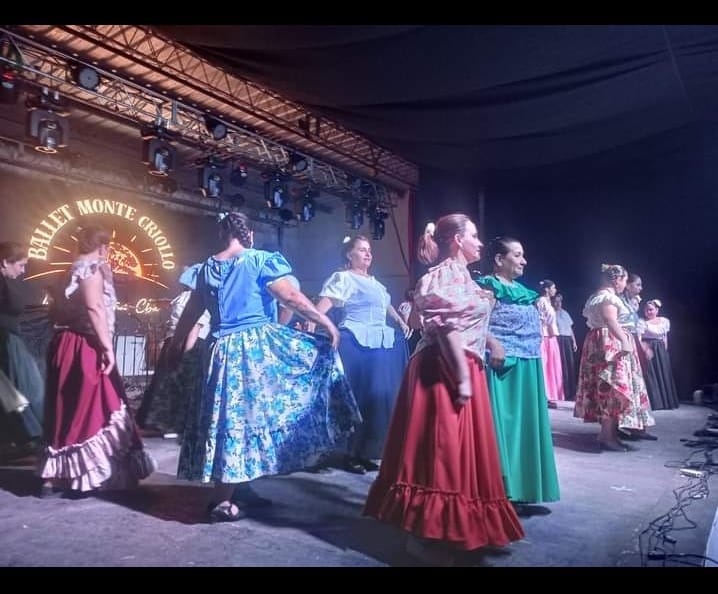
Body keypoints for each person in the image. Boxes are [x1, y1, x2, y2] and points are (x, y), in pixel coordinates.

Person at [170, 212, 361, 522]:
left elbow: (191, 313)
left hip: (218, 352)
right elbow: (291, 297)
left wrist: (177, 347)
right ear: (249, 235)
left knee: (233, 419)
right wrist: (325, 321)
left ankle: (238, 488)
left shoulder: (205, 268)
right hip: (251, 350)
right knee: (240, 420)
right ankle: (221, 500)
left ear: (222, 235)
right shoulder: (259, 260)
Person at [364, 215, 523, 566]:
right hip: (443, 367)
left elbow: (465, 323)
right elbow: (447, 327)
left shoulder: (463, 276)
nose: (480, 243)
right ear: (457, 240)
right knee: (442, 452)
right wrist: (461, 376)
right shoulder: (444, 274)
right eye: (474, 236)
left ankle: (461, 529)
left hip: (460, 363)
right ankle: (425, 536)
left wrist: (491, 343)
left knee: (460, 453)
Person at [39, 225, 156, 496]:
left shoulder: (67, 271)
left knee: (66, 408)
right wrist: (107, 348)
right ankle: (87, 475)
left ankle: (55, 476)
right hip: (86, 345)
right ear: (103, 247)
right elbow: (95, 308)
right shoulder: (90, 269)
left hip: (65, 343)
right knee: (96, 407)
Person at [314, 235, 410, 474]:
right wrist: (317, 325)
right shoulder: (344, 278)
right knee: (357, 397)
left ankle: (367, 451)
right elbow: (322, 307)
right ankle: (350, 453)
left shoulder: (375, 283)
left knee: (376, 400)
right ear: (350, 254)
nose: (368, 254)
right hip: (356, 344)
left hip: (379, 346)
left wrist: (400, 321)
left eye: (369, 250)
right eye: (362, 250)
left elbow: (385, 304)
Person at [474, 237, 560, 505]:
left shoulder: (524, 292)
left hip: (528, 364)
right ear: (499, 259)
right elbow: (475, 323)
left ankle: (523, 488)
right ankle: (501, 490)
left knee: (524, 429)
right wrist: (493, 344)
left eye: (523, 255)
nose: (524, 261)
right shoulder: (487, 286)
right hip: (503, 366)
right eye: (517, 255)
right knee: (506, 428)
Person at [573, 264, 655, 451]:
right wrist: (624, 340)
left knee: (609, 387)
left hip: (602, 341)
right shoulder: (607, 297)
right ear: (617, 280)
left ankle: (609, 433)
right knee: (612, 387)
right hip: (609, 342)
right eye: (625, 280)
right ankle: (607, 435)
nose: (625, 284)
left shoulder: (597, 296)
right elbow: (610, 319)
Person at [136, 264, 211, 438]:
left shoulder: (196, 298)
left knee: (177, 383)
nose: (182, 278)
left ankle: (175, 425)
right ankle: (161, 423)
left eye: (187, 274)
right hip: (175, 341)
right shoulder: (183, 297)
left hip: (187, 343)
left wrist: (187, 352)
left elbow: (195, 326)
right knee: (164, 382)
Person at [0, 241, 44, 461]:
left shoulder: (5, 282)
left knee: (18, 391)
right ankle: (30, 436)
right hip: (5, 340)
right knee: (22, 389)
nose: (23, 270)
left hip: (9, 339)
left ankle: (26, 436)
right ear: (5, 262)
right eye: (20, 265)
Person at [639, 299, 680, 410]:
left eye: (651, 309)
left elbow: (664, 336)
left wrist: (665, 351)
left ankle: (667, 402)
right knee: (651, 375)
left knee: (664, 373)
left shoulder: (664, 321)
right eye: (646, 310)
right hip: (649, 348)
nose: (648, 312)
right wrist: (645, 350)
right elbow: (639, 338)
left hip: (660, 349)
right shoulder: (642, 322)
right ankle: (656, 403)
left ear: (657, 310)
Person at [537, 279, 564, 406]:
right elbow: (540, 319)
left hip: (551, 336)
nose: (555, 290)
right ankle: (544, 394)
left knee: (551, 366)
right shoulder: (541, 301)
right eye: (553, 288)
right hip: (544, 336)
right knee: (545, 365)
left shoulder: (548, 302)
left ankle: (550, 394)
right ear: (547, 289)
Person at [552, 292, 579, 401]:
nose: (558, 304)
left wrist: (574, 341)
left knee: (569, 364)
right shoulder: (552, 313)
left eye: (560, 301)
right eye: (556, 301)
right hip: (559, 339)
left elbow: (570, 328)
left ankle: (572, 391)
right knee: (561, 365)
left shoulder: (565, 313)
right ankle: (563, 391)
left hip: (567, 340)